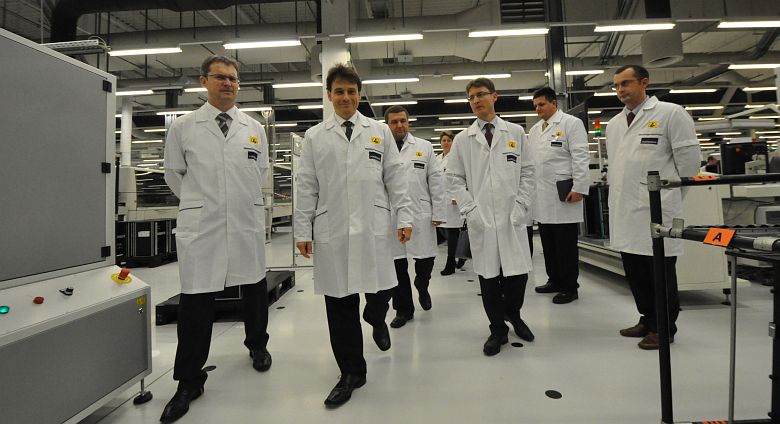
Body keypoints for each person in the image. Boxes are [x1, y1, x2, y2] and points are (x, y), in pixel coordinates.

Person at [294, 64, 413, 407]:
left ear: (359, 95)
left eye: (351, 91)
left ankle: (376, 316)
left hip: (375, 225)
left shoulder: (379, 131)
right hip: (333, 227)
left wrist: (404, 216)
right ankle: (351, 372)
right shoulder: (315, 136)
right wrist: (303, 228)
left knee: (383, 287)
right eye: (339, 91)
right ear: (329, 95)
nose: (345, 97)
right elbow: (307, 186)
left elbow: (395, 178)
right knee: (340, 303)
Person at [161, 55, 272, 423]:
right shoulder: (184, 127)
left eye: (233, 79)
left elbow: (260, 172)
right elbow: (174, 174)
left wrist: (233, 203)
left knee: (254, 287)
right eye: (221, 77)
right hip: (203, 225)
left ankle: (257, 346)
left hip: (244, 221)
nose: (228, 84)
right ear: (203, 81)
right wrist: (202, 203)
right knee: (196, 301)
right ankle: (189, 380)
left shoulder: (253, 128)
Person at [606, 64, 701, 350]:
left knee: (660, 274)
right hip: (626, 211)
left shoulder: (671, 113)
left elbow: (689, 166)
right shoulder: (614, 124)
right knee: (636, 273)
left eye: (626, 83)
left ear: (644, 82)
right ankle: (647, 319)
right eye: (616, 85)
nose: (620, 90)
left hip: (657, 210)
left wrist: (670, 199)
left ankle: (664, 328)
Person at [446, 77, 536, 356]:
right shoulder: (463, 139)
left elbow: (529, 172)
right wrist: (470, 209)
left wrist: (521, 205)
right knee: (488, 278)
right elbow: (454, 179)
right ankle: (498, 329)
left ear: (494, 97)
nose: (476, 100)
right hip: (481, 219)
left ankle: (513, 314)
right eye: (471, 97)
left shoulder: (515, 133)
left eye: (481, 94)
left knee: (517, 276)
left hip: (513, 217)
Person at [384, 105, 446, 329]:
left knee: (426, 260)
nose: (399, 125)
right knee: (397, 264)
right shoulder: (380, 147)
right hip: (392, 215)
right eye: (394, 122)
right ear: (387, 125)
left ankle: (422, 285)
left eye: (403, 120)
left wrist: (439, 212)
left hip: (420, 213)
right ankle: (403, 310)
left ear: (408, 122)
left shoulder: (424, 147)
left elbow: (436, 181)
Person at [529, 87, 590, 305]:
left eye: (542, 104)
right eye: (535, 106)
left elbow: (581, 156)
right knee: (548, 243)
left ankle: (569, 287)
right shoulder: (535, 130)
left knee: (565, 245)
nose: (538, 109)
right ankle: (554, 279)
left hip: (565, 194)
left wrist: (580, 187)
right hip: (542, 196)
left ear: (554, 103)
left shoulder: (571, 124)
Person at [435, 130, 467, 275]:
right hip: (441, 201)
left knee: (453, 233)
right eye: (444, 140)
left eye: (449, 140)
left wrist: (457, 196)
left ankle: (450, 264)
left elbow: (463, 178)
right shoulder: (437, 159)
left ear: (453, 142)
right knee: (444, 231)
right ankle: (461, 255)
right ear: (440, 143)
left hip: (453, 201)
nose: (446, 142)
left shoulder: (457, 157)